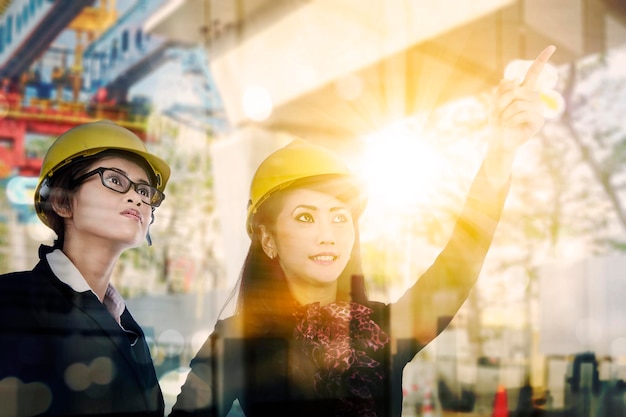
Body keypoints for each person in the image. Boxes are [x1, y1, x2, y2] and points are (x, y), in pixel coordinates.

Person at [169, 45, 557, 417]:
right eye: (306, 217)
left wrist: (501, 153)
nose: (328, 234)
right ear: (268, 239)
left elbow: (459, 263)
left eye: (340, 216)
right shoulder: (238, 341)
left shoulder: (385, 330)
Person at [0, 120, 170, 416]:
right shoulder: (9, 300)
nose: (137, 198)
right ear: (64, 203)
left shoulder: (129, 330)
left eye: (145, 190)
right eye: (115, 181)